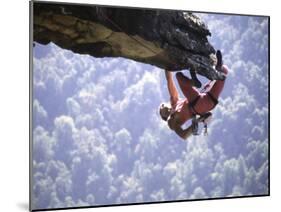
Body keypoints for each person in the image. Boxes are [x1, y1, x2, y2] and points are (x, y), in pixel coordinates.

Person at [159, 50, 228, 140]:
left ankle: (214, 71)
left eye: (162, 104)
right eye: (160, 111)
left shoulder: (175, 101)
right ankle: (194, 82)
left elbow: (169, 78)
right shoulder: (171, 121)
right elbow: (183, 135)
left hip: (204, 100)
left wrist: (165, 60)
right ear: (164, 117)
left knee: (224, 70)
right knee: (179, 77)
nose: (162, 106)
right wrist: (195, 123)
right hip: (200, 104)